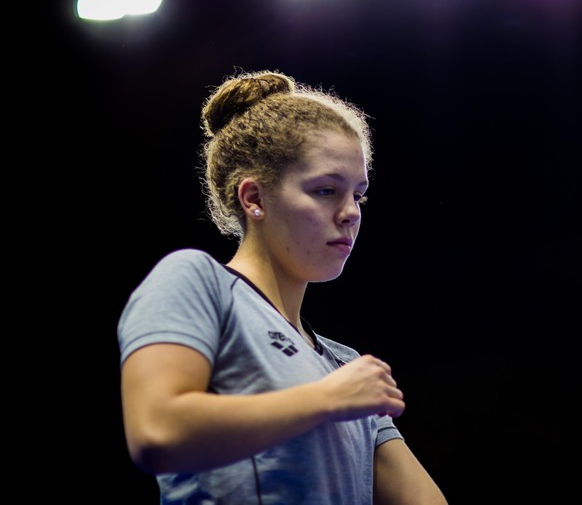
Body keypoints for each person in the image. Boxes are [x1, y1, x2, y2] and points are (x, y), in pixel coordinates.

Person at [117, 69, 448, 504]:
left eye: (359, 194)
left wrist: (338, 392)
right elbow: (157, 432)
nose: (351, 213)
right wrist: (328, 398)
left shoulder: (342, 365)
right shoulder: (198, 282)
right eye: (327, 190)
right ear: (253, 198)